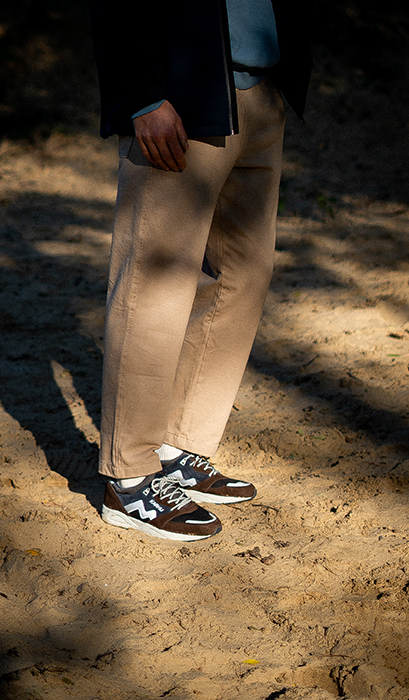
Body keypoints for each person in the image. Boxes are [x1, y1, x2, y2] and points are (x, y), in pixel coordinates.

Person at [88, 0, 312, 540]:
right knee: (154, 283)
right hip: (181, 96)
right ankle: (129, 476)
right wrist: (143, 95)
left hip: (260, 89)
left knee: (244, 274)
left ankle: (179, 445)